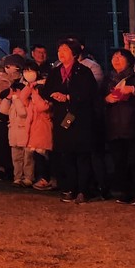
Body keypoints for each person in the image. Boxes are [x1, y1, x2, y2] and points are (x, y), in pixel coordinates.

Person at [41, 38, 99, 203]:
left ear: (74, 53)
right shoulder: (55, 72)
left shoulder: (84, 71)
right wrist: (53, 95)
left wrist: (68, 97)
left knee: (82, 155)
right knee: (66, 155)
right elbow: (46, 90)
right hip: (62, 117)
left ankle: (83, 190)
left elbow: (89, 93)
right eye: (59, 50)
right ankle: (70, 188)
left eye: (65, 50)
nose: (61, 53)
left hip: (80, 118)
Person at [103, 49, 135, 206]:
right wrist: (107, 99)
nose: (116, 59)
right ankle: (124, 192)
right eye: (114, 57)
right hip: (114, 126)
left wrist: (133, 90)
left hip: (133, 126)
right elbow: (99, 99)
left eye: (120, 57)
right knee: (119, 162)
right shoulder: (108, 79)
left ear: (129, 61)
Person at [25, 65, 55, 190]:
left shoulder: (45, 103)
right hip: (35, 132)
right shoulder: (34, 102)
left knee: (43, 158)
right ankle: (44, 178)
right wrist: (30, 86)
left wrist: (35, 93)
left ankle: (46, 179)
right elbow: (23, 97)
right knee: (39, 157)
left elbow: (42, 107)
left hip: (43, 132)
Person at [0, 76, 32, 185]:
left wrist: (17, 99)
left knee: (27, 159)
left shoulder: (26, 102)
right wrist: (7, 98)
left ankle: (28, 178)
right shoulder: (14, 102)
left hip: (24, 133)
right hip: (14, 134)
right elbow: (3, 111)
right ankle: (17, 177)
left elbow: (23, 113)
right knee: (16, 158)